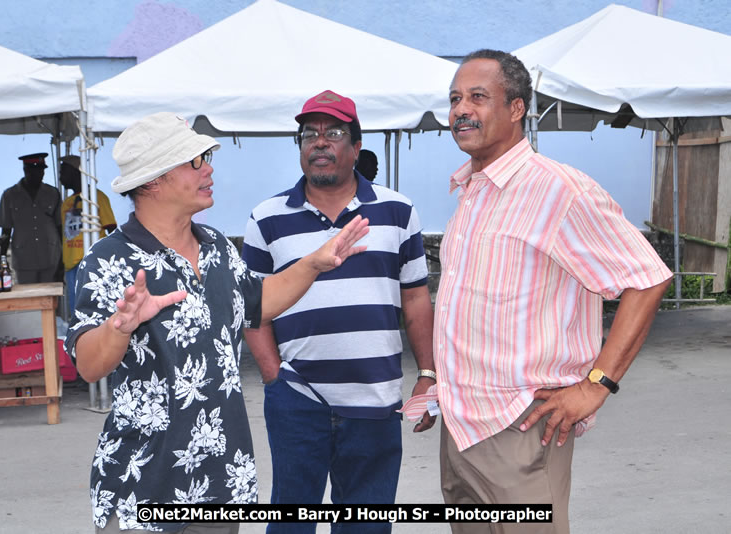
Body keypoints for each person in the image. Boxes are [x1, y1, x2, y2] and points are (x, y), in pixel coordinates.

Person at [64, 112, 368, 533]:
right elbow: (88, 364)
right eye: (194, 162)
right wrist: (120, 327)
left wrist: (313, 264)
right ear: (153, 181)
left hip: (221, 481)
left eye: (205, 159)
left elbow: (259, 302)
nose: (208, 170)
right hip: (143, 487)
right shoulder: (109, 258)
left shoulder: (217, 248)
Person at [434, 49, 673, 533]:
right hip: (459, 425)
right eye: (456, 99)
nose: (461, 110)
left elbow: (648, 278)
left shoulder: (558, 190)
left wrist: (596, 384)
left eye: (478, 97)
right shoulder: (471, 192)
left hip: (519, 427)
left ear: (516, 108)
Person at [242, 90, 435, 533]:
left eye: (333, 133)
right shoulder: (267, 218)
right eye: (309, 134)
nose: (320, 142)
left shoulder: (397, 211)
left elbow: (416, 298)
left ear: (356, 146)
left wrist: (427, 374)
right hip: (297, 400)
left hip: (375, 401)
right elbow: (252, 306)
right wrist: (274, 376)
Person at [59, 154, 117, 315]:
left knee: (93, 309)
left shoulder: (97, 197)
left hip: (92, 261)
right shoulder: (67, 202)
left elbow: (112, 229)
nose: (60, 177)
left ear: (75, 172)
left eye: (63, 172)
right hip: (70, 264)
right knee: (76, 310)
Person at [0, 152, 62, 283]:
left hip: (50, 257)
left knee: (52, 295)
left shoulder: (53, 193)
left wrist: (62, 261)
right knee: (26, 295)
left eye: (41, 171)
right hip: (24, 260)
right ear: (26, 170)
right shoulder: (10, 195)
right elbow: (6, 230)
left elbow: (60, 227)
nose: (39, 175)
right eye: (35, 171)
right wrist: (2, 259)